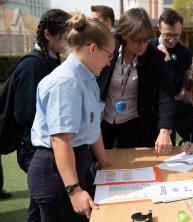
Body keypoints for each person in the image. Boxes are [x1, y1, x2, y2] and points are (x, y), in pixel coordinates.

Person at [28, 13, 113, 222]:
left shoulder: (88, 78)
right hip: (56, 175)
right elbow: (60, 140)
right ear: (92, 49)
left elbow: (93, 128)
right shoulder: (65, 82)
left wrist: (105, 163)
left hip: (75, 168)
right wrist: (74, 190)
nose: (109, 62)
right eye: (108, 55)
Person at [12, 9, 71, 221]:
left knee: (39, 207)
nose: (68, 43)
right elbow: (26, 115)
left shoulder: (52, 60)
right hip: (35, 149)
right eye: (65, 38)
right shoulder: (32, 65)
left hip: (44, 147)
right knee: (46, 204)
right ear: (48, 34)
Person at [97, 8, 174, 153]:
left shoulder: (154, 57)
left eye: (146, 40)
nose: (142, 45)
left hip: (135, 124)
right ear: (124, 35)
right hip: (103, 122)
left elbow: (165, 93)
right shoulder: (108, 50)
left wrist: (165, 130)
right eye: (136, 40)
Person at [150, 9, 192, 96]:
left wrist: (167, 61)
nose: (171, 40)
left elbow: (176, 87)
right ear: (159, 29)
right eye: (167, 35)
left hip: (170, 102)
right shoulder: (148, 47)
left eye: (176, 35)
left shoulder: (185, 54)